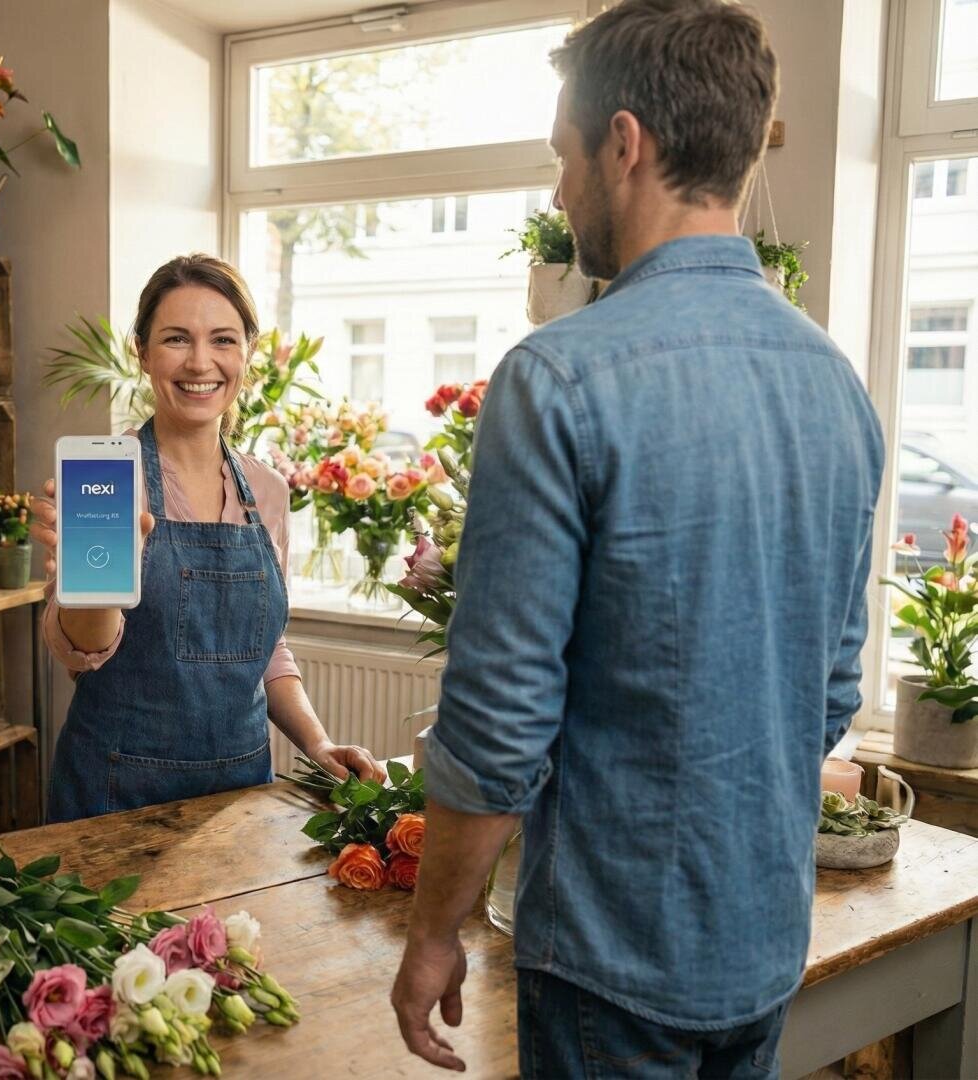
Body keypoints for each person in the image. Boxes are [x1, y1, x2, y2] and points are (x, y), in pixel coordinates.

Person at [389, 2, 883, 1076]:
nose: (560, 191)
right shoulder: (837, 388)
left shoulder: (556, 377)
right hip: (759, 944)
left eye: (563, 158)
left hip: (610, 959)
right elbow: (831, 690)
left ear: (624, 143)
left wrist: (432, 931)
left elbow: (498, 722)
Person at [33, 254, 384, 823]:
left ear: (247, 352)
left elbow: (264, 647)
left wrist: (317, 745)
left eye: (223, 339)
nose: (201, 362)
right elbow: (81, 653)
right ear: (142, 352)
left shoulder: (267, 491)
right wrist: (96, 585)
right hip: (115, 791)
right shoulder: (106, 480)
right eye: (176, 338)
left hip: (241, 792)